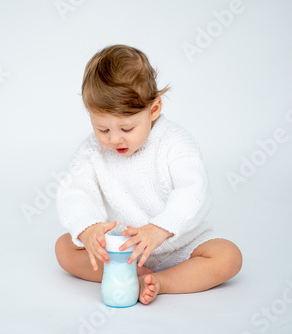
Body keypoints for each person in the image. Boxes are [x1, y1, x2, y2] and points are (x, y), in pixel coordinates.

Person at [54, 44, 242, 305]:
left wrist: (160, 228)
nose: (114, 138)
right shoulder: (91, 150)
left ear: (153, 110)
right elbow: (75, 190)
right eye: (103, 129)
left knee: (228, 256)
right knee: (64, 248)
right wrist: (88, 229)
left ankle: (163, 281)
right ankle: (131, 272)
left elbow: (193, 188)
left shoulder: (174, 141)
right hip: (122, 248)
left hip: (178, 243)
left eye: (126, 127)